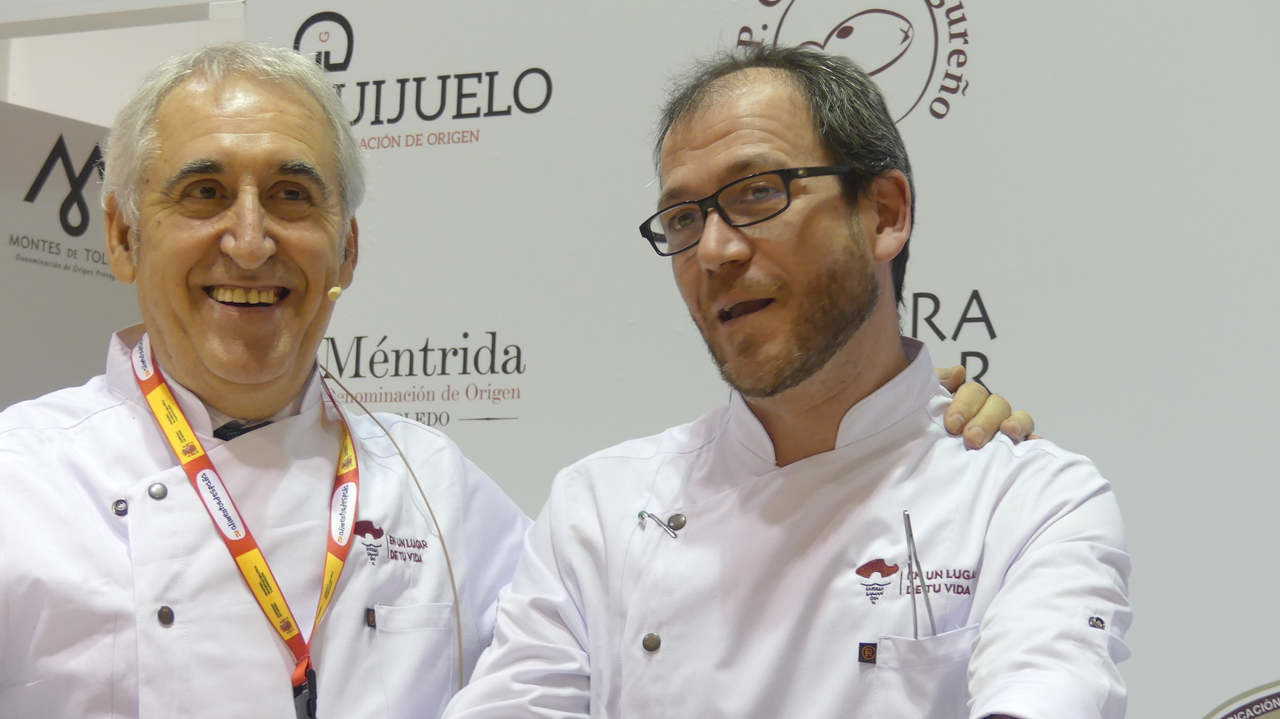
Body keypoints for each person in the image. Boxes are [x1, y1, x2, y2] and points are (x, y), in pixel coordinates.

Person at [444, 45, 1129, 719]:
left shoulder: (1031, 502)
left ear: (884, 213)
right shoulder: (599, 509)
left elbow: (1044, 691)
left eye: (758, 193)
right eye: (684, 218)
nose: (714, 251)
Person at [0, 43, 530, 718]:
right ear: (122, 237)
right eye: (204, 192)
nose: (250, 243)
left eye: (292, 196)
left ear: (347, 249)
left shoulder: (439, 489)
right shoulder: (17, 481)